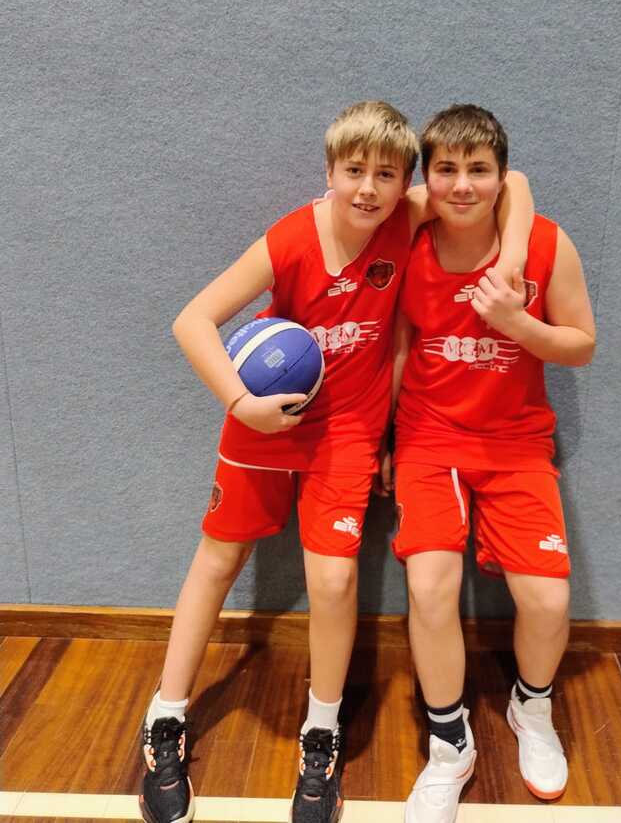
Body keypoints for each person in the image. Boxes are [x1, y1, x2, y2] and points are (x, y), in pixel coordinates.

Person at [138, 100, 535, 823]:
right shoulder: (293, 237)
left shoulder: (404, 218)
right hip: (268, 419)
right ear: (329, 172)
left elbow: (518, 184)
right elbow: (192, 320)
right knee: (218, 559)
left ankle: (320, 732)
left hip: (348, 431)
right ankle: (166, 715)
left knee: (333, 578)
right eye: (354, 170)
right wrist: (240, 402)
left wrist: (509, 263)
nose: (368, 188)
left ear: (405, 184)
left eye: (386, 175)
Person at [390, 104, 596, 821]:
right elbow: (401, 345)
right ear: (428, 179)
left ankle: (530, 708)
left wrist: (516, 321)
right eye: (447, 169)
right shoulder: (409, 239)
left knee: (547, 601)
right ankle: (450, 744)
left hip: (515, 442)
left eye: (479, 169)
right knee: (430, 589)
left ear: (501, 177)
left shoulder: (546, 244)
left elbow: (582, 344)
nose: (463, 184)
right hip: (429, 437)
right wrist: (386, 439)